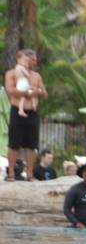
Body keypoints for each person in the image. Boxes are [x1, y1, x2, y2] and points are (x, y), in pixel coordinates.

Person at [5, 49, 46, 182]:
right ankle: (11, 173)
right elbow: (9, 90)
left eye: (34, 60)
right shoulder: (12, 73)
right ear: (23, 59)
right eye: (30, 59)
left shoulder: (36, 76)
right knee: (13, 144)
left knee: (32, 145)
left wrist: (37, 91)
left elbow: (45, 93)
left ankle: (29, 174)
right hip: (17, 110)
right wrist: (25, 93)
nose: (32, 62)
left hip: (32, 112)